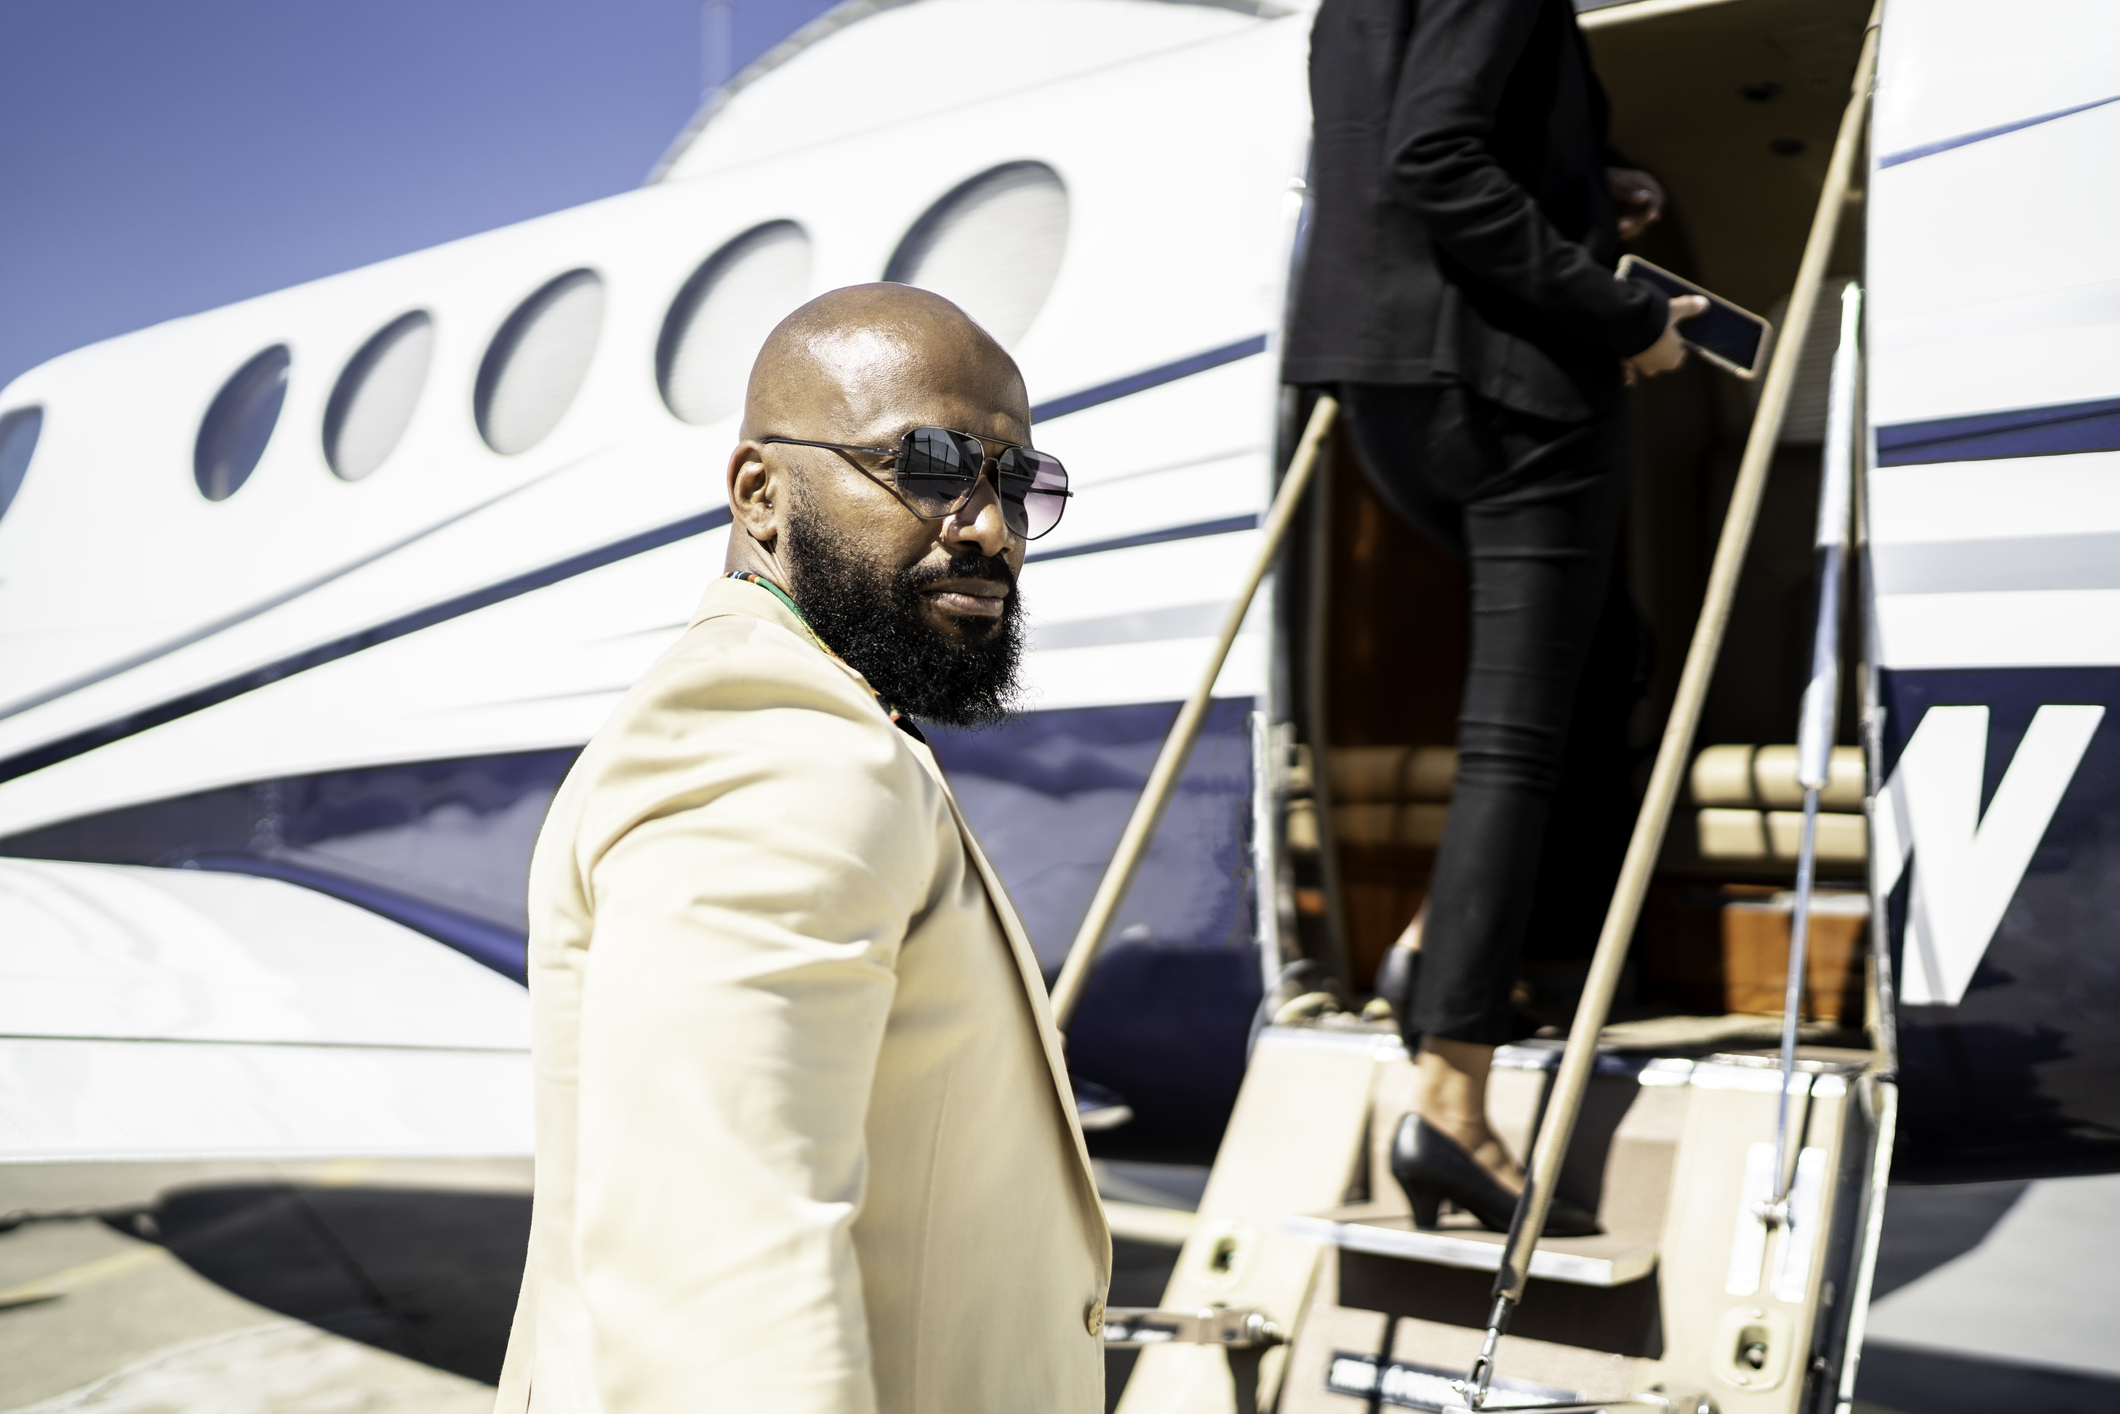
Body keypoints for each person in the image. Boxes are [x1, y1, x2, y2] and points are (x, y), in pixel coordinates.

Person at [494, 284, 1107, 1414]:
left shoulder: (829, 721)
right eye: (925, 465)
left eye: (1017, 482)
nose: (985, 527)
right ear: (758, 492)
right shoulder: (767, 737)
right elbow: (718, 1284)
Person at [1283, 0, 1707, 1235]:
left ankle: (1434, 947)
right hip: (1511, 385)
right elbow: (1436, 160)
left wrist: (1590, 183)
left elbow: (1403, 145)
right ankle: (1450, 1106)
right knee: (1518, 742)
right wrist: (1621, 314)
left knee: (1598, 659)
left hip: (1385, 383)